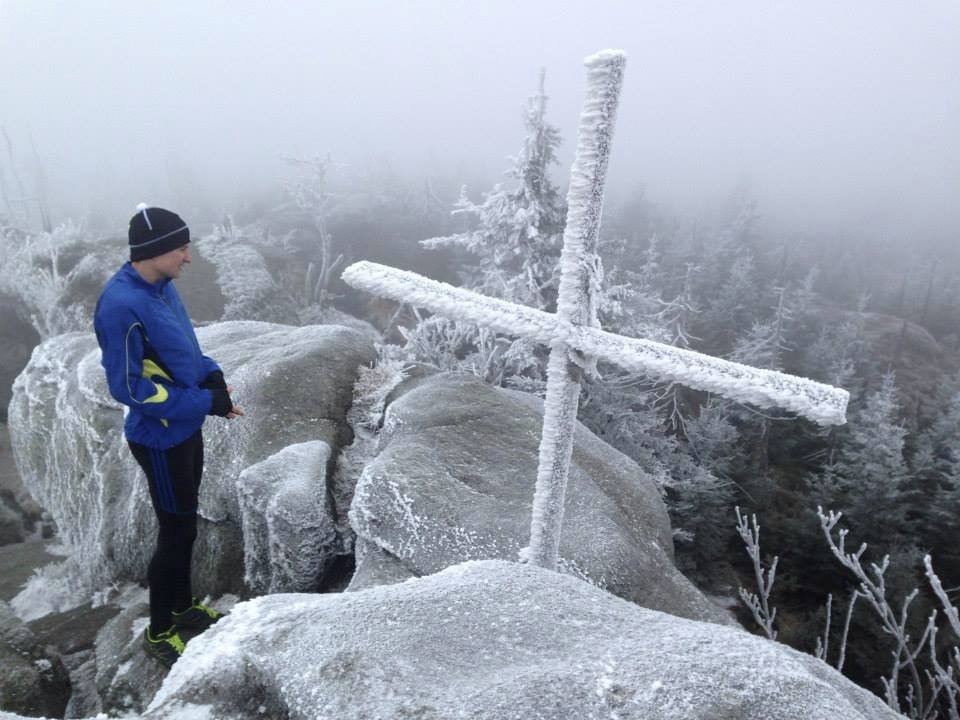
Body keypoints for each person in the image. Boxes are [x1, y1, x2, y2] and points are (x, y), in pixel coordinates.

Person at [94, 205, 244, 667]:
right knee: (175, 531)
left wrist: (211, 376)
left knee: (185, 523)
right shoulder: (122, 305)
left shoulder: (160, 288)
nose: (188, 258)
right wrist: (204, 402)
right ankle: (160, 632)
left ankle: (181, 607)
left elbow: (182, 348)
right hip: (158, 437)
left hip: (184, 428)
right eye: (181, 248)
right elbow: (129, 387)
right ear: (156, 250)